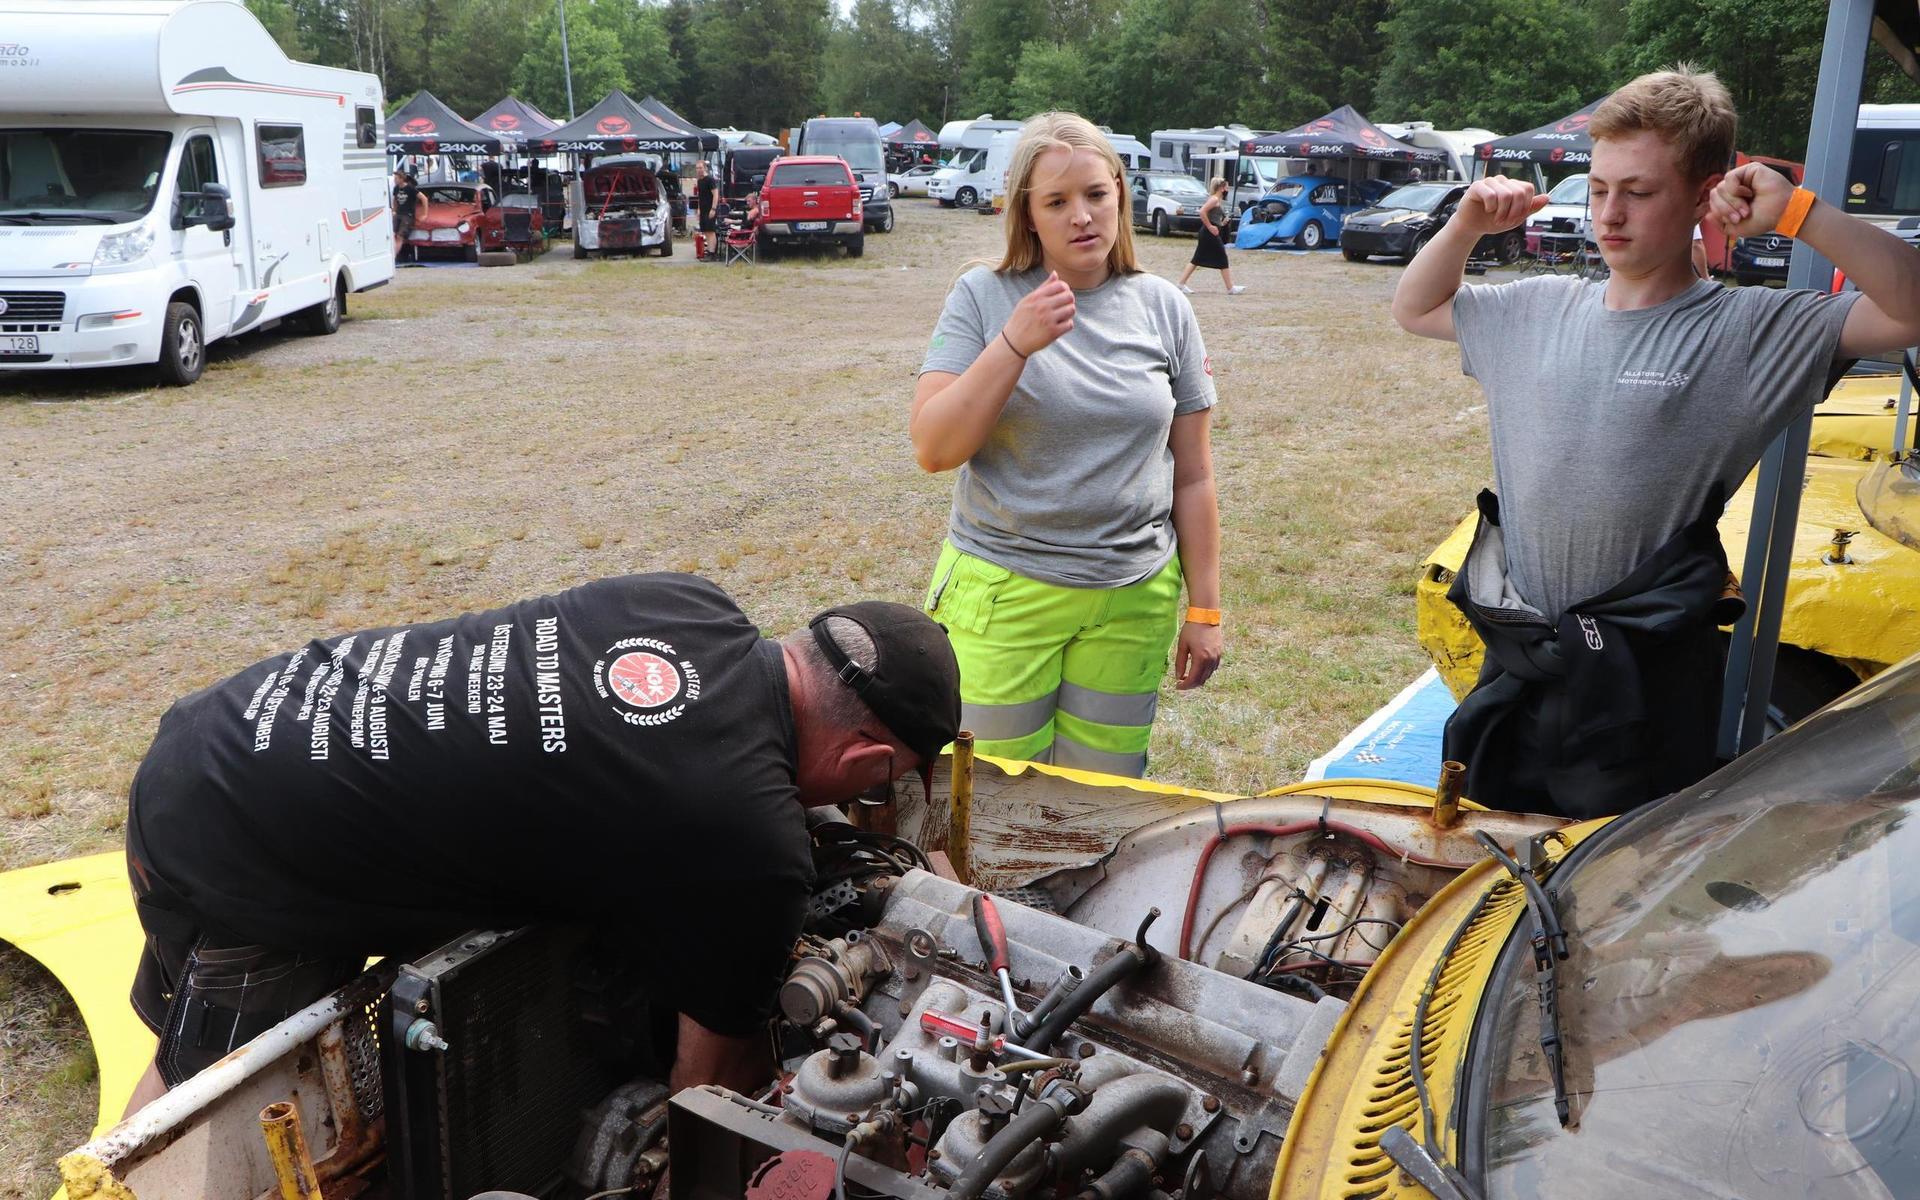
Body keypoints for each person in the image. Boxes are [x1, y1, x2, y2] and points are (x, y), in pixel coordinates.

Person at [120, 573, 960, 1110]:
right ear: (869, 759)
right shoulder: (747, 838)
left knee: (179, 1067)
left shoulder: (684, 602)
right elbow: (708, 1088)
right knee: (207, 1120)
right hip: (250, 849)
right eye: (883, 782)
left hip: (220, 736)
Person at [1390, 66, 1920, 818]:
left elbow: (1909, 310)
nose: (1609, 214)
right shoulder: (1534, 309)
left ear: (1705, 195)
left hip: (1643, 689)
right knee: (1494, 879)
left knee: (1615, 897)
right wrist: (1468, 223)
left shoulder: (1748, 332)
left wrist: (1800, 211)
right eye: (1599, 188)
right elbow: (1416, 307)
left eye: (1638, 192)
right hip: (1522, 667)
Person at [910, 111, 1224, 779]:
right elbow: (934, 448)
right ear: (1028, 213)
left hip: (1131, 597)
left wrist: (1204, 608)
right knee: (984, 801)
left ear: (1119, 194)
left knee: (1098, 803)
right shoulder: (984, 297)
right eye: (1057, 201)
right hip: (1007, 589)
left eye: (1096, 194)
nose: (1082, 216)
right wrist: (1014, 345)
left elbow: (1193, 475)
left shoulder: (1165, 306)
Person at [1176, 178, 1244, 296]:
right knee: (1222, 257)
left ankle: (1181, 284)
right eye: (1226, 187)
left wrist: (1222, 223)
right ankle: (1230, 288)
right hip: (1209, 233)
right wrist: (1210, 226)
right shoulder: (1214, 199)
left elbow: (1213, 217)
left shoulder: (1217, 200)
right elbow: (1202, 212)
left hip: (1210, 232)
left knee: (1196, 259)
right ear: (1221, 188)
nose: (1227, 189)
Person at [391, 168, 426, 258]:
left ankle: (393, 257)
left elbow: (424, 198)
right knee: (393, 234)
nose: (395, 180)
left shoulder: (410, 188)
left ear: (402, 179)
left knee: (400, 236)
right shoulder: (396, 188)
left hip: (407, 215)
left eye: (396, 179)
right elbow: (395, 200)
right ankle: (394, 253)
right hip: (398, 213)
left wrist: (424, 214)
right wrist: (394, 210)